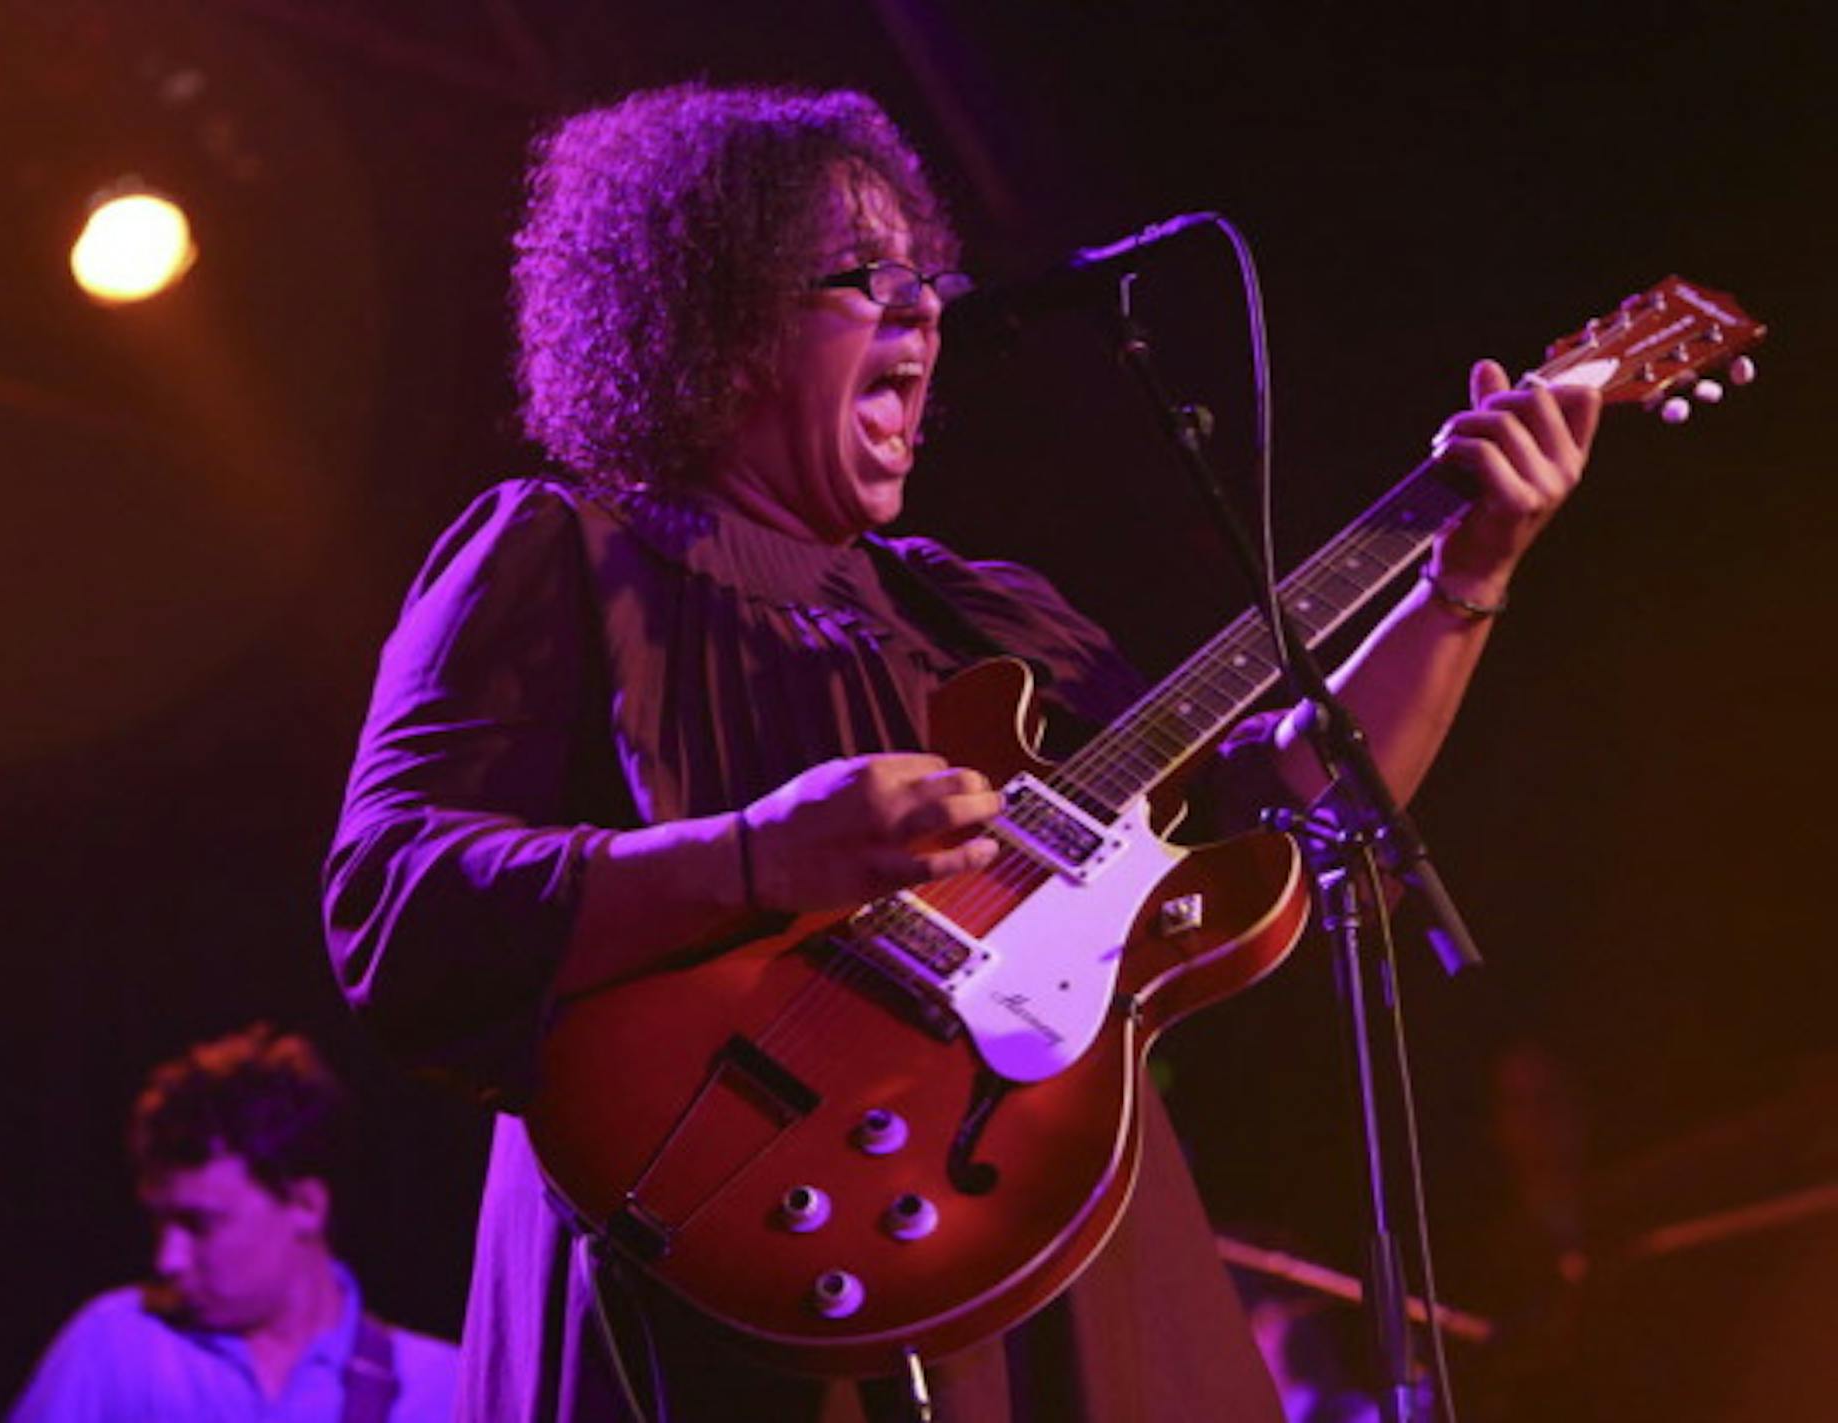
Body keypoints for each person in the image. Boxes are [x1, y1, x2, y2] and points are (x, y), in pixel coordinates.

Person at [323, 83, 1598, 1421]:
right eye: (865, 276)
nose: (924, 308)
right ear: (717, 315)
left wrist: (1466, 573)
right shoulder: (560, 554)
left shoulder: (981, 614)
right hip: (727, 1236)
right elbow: (397, 898)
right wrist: (762, 852)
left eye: (928, 276)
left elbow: (1275, 819)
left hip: (1042, 1236)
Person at [9, 1024, 459, 1422]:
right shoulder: (113, 1345)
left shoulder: (449, 1392)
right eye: (160, 1222)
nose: (168, 1260)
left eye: (199, 1224)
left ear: (305, 1205)